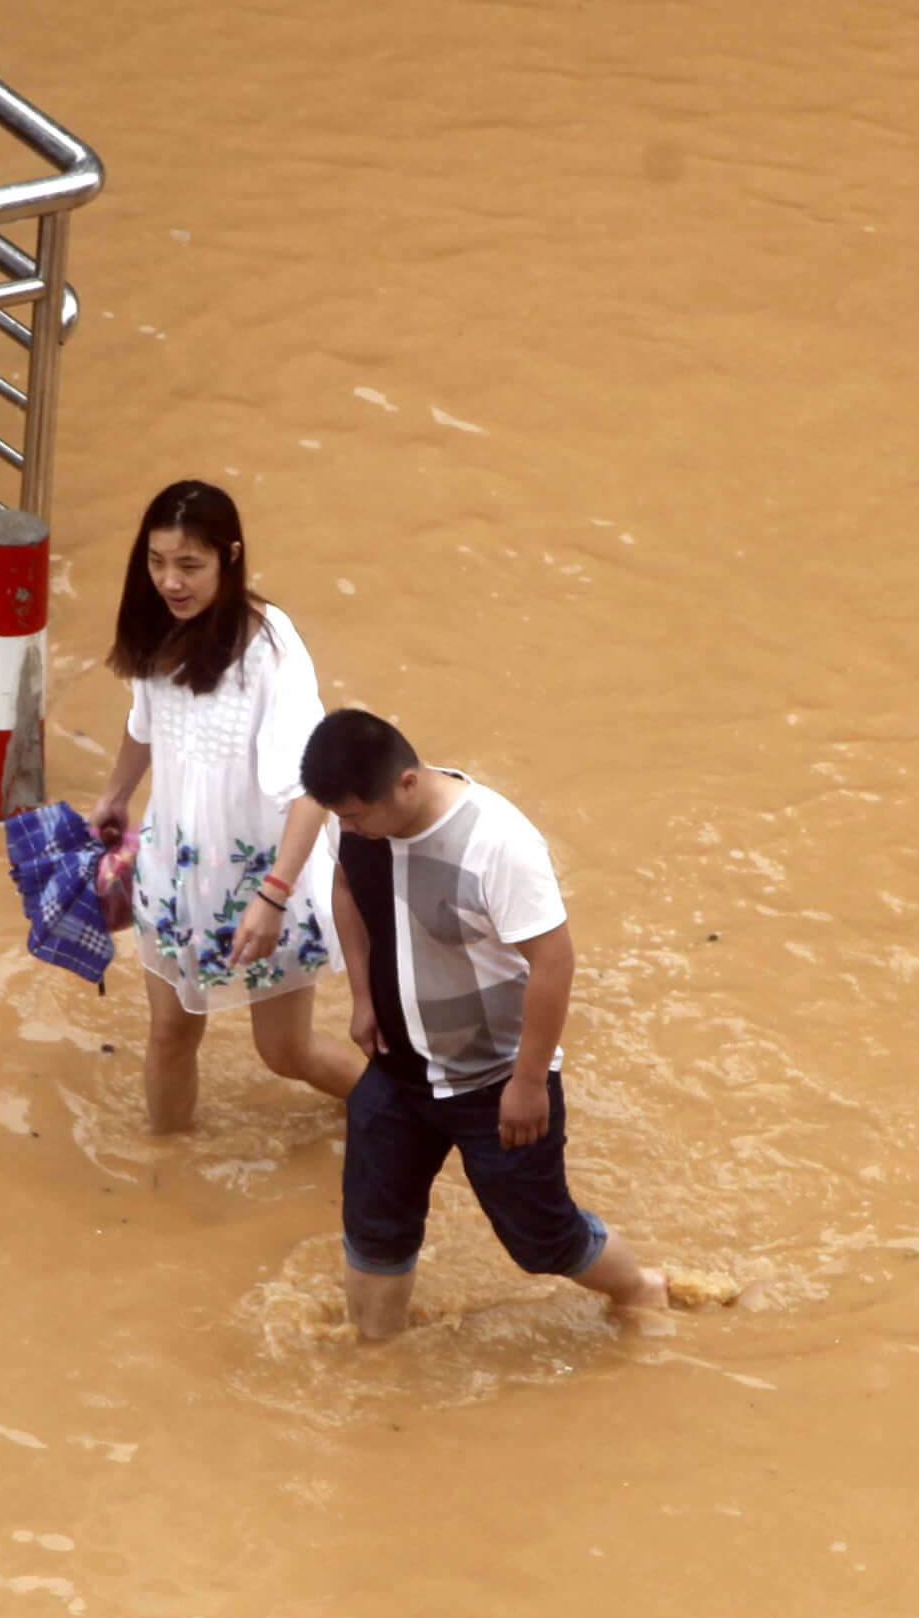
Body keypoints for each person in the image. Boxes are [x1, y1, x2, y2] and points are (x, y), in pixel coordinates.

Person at [302, 706, 726, 1344]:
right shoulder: (358, 830)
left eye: (356, 815)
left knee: (542, 1239)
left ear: (407, 784)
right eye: (340, 817)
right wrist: (361, 995)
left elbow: (554, 961)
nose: (348, 830)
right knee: (373, 1230)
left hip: (493, 1079)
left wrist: (528, 1083)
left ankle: (643, 1288)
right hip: (395, 1068)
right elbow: (345, 888)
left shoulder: (496, 841)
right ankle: (374, 1361)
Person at [86, 480, 361, 1131]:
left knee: (285, 1051)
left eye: (189, 565)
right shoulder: (155, 625)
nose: (171, 581)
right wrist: (117, 792)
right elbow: (143, 721)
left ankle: (403, 1119)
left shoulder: (271, 649)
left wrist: (272, 895)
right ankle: (166, 1177)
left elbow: (310, 786)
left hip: (263, 875)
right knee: (168, 1036)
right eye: (157, 562)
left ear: (230, 558)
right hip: (173, 867)